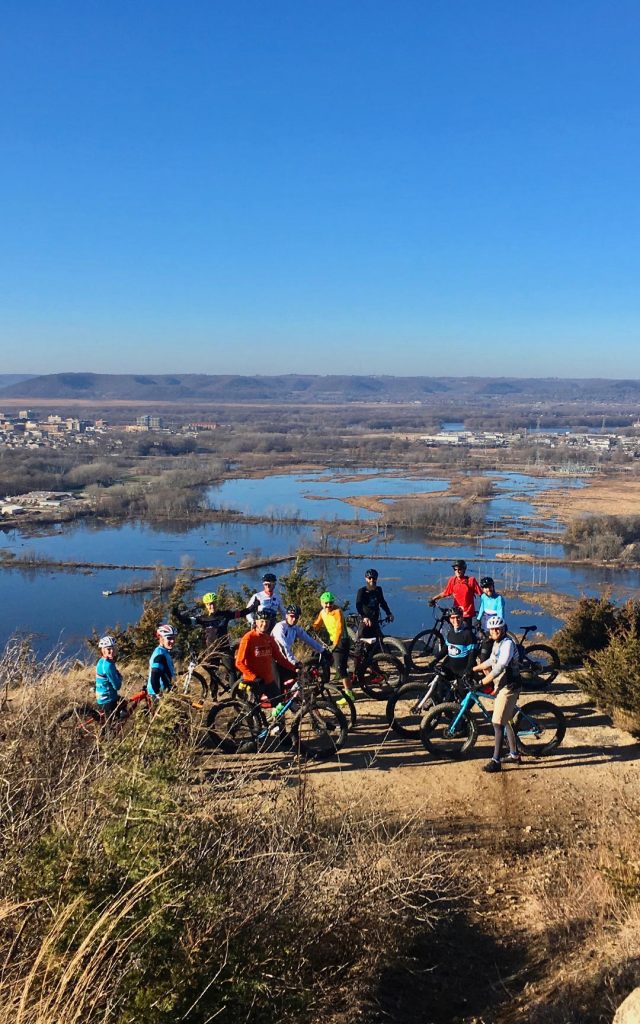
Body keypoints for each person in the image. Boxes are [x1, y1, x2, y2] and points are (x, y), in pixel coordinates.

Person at [172, 590, 255, 691]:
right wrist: (177, 615)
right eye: (209, 604)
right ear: (206, 606)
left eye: (213, 603)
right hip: (212, 650)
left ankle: (235, 693)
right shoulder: (203, 619)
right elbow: (187, 621)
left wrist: (252, 607)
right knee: (212, 672)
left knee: (231, 670)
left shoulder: (225, 615)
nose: (212, 606)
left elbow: (241, 613)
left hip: (224, 648)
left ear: (216, 603)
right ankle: (214, 697)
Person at [472, 615, 521, 773]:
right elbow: (491, 661)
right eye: (492, 629)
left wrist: (482, 682)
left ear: (503, 629)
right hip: (502, 685)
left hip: (510, 687)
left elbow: (500, 667)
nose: (494, 631)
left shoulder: (507, 644)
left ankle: (496, 761)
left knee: (497, 723)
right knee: (505, 720)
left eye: (497, 628)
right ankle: (514, 755)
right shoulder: (496, 643)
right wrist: (473, 669)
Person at [235, 607, 297, 704]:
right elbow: (239, 662)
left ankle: (276, 720)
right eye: (262, 621)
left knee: (279, 706)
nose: (264, 624)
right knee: (252, 710)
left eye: (267, 622)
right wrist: (253, 677)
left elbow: (280, 659)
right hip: (254, 682)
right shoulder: (248, 638)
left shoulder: (269, 639)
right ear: (256, 622)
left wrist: (294, 668)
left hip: (269, 680)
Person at [313, 591, 353, 700]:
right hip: (333, 641)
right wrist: (311, 627)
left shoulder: (337, 611)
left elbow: (339, 629)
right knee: (330, 660)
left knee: (341, 668)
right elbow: (317, 623)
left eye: (330, 603)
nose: (328, 605)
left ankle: (349, 695)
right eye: (326, 603)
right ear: (321, 603)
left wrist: (335, 644)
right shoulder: (322, 612)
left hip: (341, 641)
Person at [271, 604, 328, 668]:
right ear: (286, 615)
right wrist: (294, 662)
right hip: (273, 659)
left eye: (296, 617)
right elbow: (283, 646)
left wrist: (322, 650)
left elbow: (308, 639)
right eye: (292, 616)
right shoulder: (280, 627)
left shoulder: (295, 628)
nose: (294, 619)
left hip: (285, 658)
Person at [430, 559, 481, 626]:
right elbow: (445, 593)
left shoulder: (471, 580)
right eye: (455, 569)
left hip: (467, 613)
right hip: (456, 613)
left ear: (464, 569)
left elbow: (481, 594)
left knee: (466, 634)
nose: (457, 571)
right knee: (455, 632)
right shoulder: (452, 580)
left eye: (459, 569)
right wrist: (434, 598)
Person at [355, 568, 394, 642]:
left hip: (375, 619)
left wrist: (389, 613)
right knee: (360, 639)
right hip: (364, 619)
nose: (372, 580)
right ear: (366, 579)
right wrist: (364, 617)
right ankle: (357, 651)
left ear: (376, 579)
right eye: (369, 578)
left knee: (379, 638)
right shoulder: (362, 591)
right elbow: (358, 605)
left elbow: (382, 602)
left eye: (374, 578)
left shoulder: (378, 590)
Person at [476, 577, 507, 660]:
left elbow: (500, 615)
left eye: (490, 587)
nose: (488, 589)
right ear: (482, 589)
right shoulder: (483, 597)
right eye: (485, 588)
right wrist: (478, 619)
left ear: (493, 586)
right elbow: (482, 607)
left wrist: (498, 628)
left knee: (495, 646)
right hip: (487, 622)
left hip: (496, 625)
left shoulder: (498, 599)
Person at [95, 635, 123, 720]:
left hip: (101, 696)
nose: (112, 651)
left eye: (113, 648)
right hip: (108, 699)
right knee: (112, 728)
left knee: (123, 702)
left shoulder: (101, 661)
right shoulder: (108, 665)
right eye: (108, 649)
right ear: (103, 650)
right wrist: (120, 678)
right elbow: (117, 686)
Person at [147, 623, 177, 699]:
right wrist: (158, 693)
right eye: (169, 638)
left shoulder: (164, 651)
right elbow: (154, 677)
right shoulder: (160, 655)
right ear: (161, 638)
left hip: (165, 692)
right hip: (159, 695)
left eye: (174, 638)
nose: (172, 641)